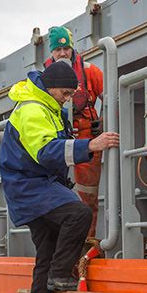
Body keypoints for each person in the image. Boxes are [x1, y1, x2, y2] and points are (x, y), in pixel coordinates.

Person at [0, 61, 119, 293]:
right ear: (51, 87)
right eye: (65, 93)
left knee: (47, 252)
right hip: (30, 187)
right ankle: (61, 275)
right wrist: (90, 145)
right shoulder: (32, 110)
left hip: (31, 187)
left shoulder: (47, 106)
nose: (68, 99)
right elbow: (46, 151)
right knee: (78, 214)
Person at [45, 25, 104, 238]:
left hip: (86, 140)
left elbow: (113, 97)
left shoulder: (89, 71)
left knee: (87, 197)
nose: (62, 53)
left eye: (66, 49)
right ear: (51, 52)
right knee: (53, 193)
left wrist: (103, 122)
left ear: (72, 49)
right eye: (58, 50)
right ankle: (60, 242)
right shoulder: (45, 77)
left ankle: (86, 243)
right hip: (56, 141)